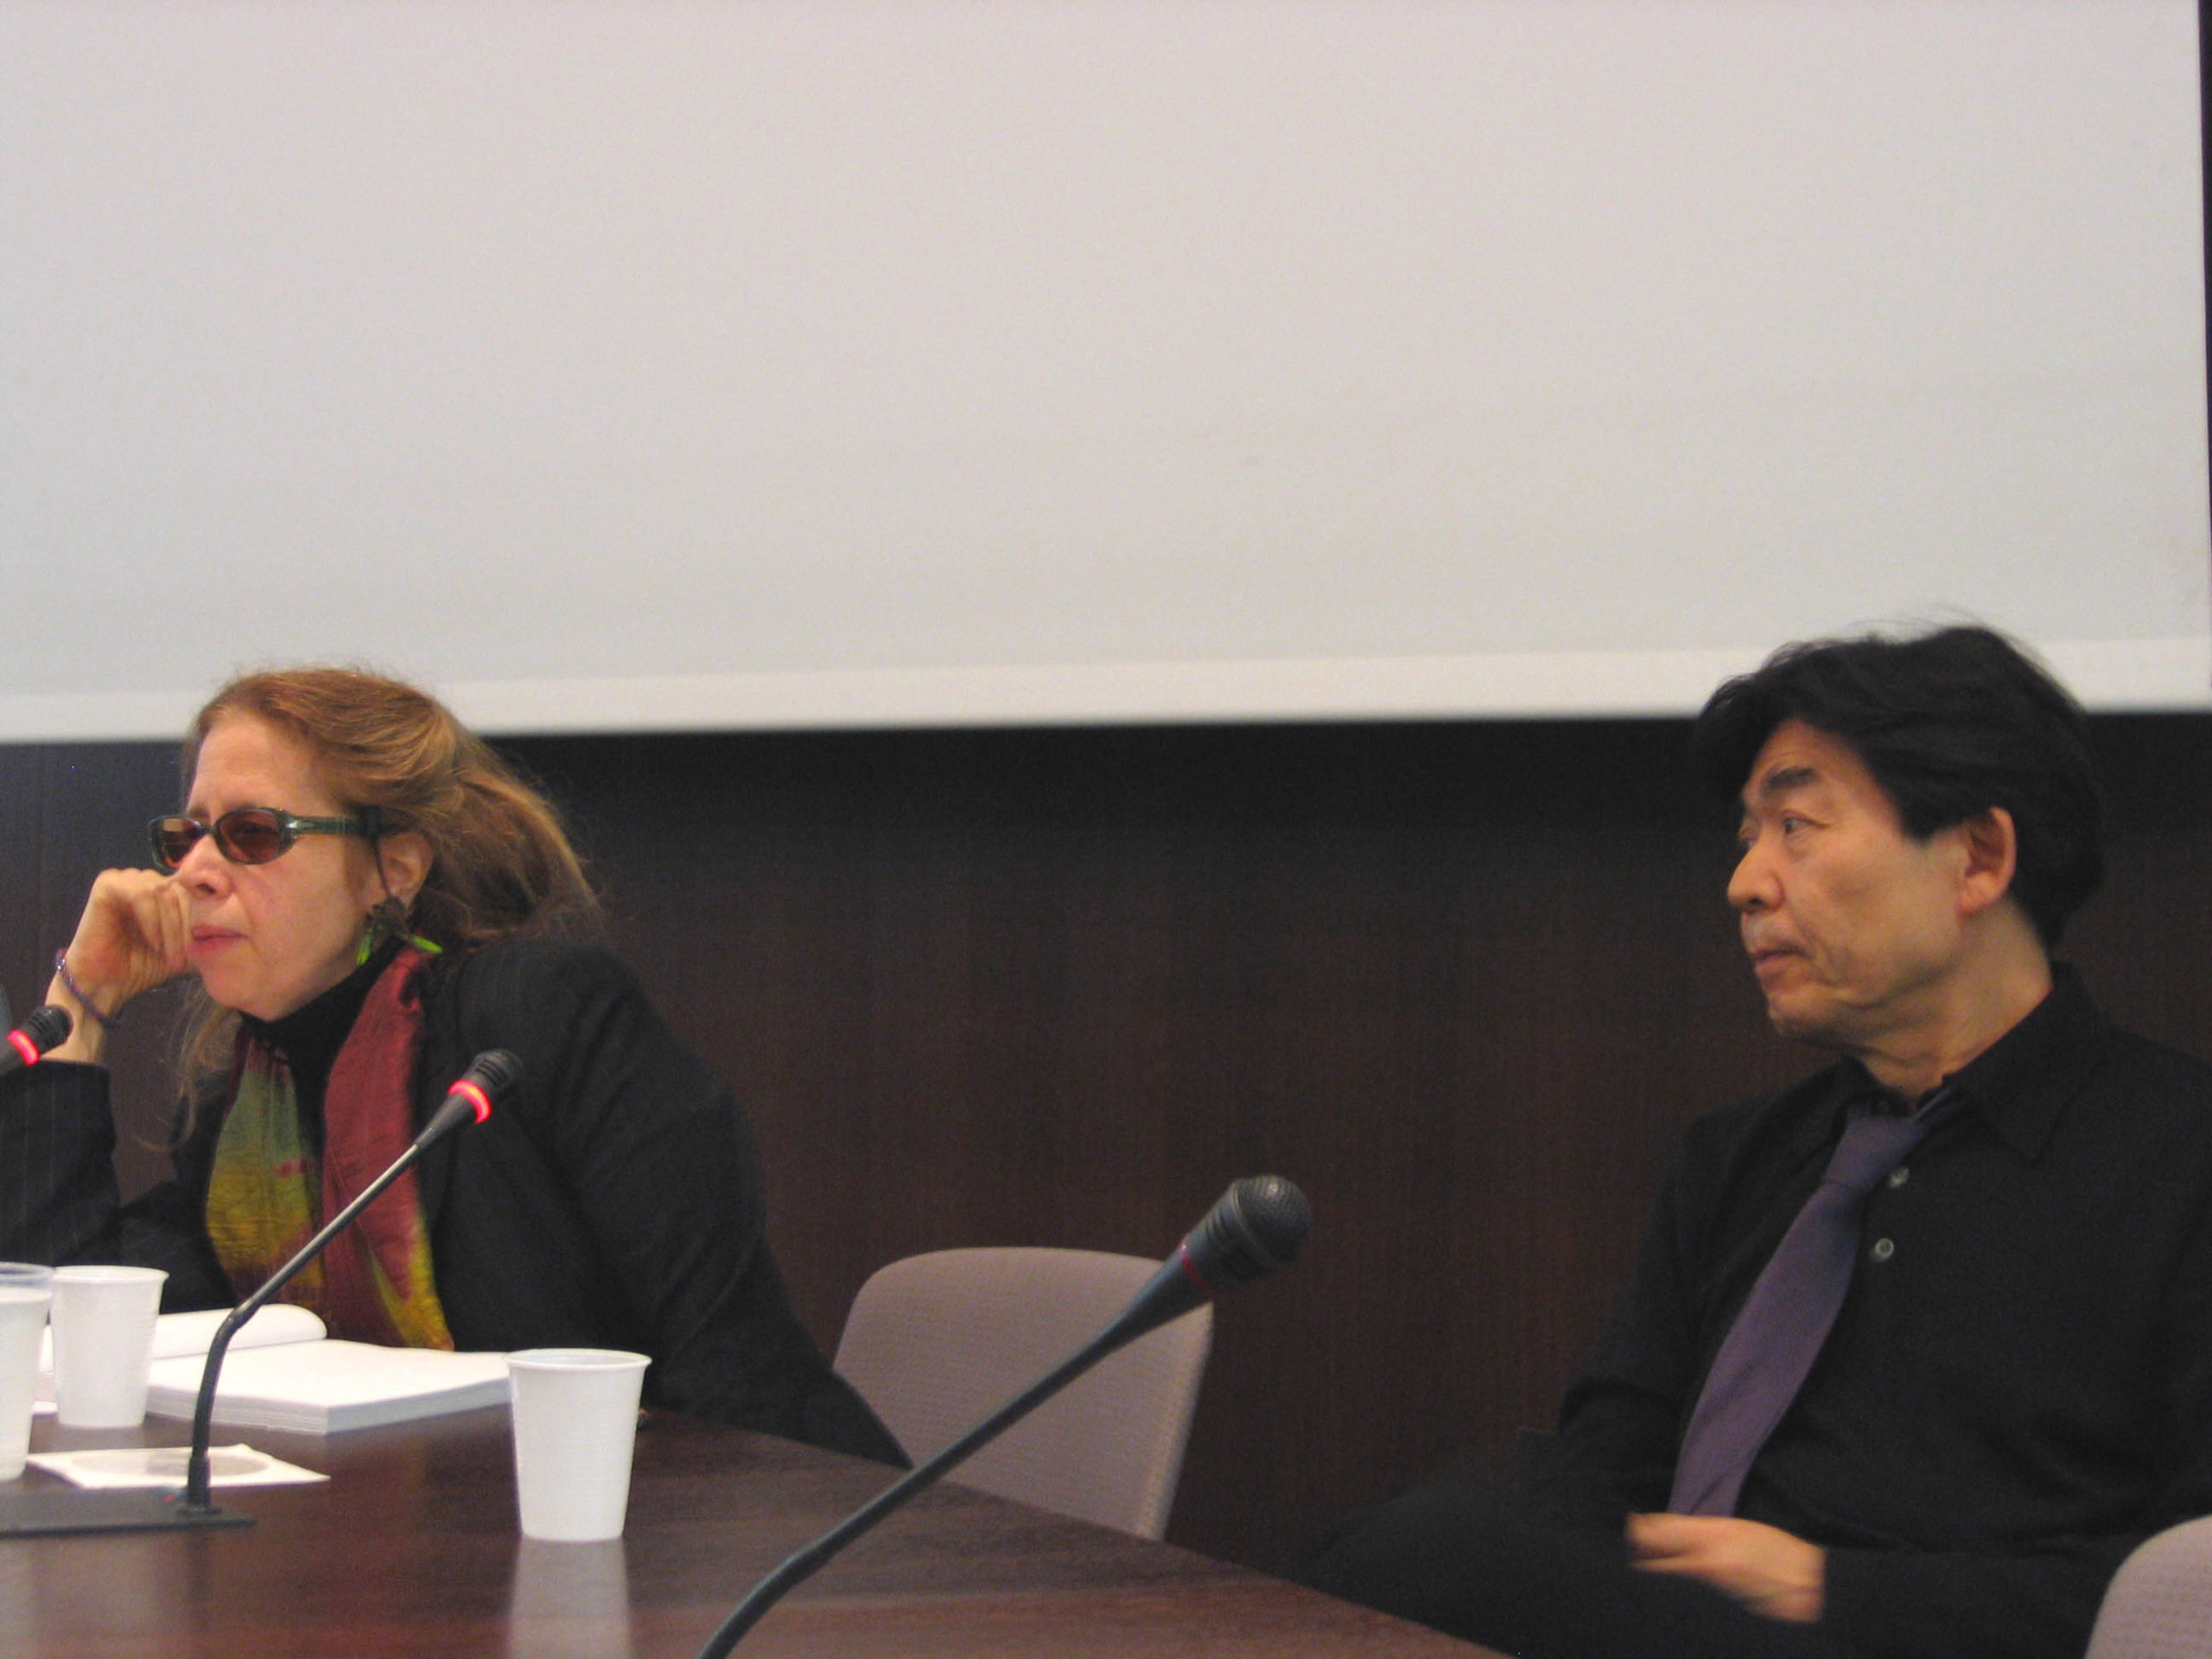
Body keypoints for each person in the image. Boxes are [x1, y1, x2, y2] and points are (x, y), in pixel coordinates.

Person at [1310, 625, 2212, 1659]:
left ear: (1977, 857)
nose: (1745, 882)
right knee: (1417, 1549)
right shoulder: (1738, 1160)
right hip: (1664, 1627)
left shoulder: (2181, 1162)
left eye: (1795, 827)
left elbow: (2187, 1588)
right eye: (1748, 838)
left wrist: (1835, 1591)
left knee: (1429, 1553)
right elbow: (1605, 1469)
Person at [0, 666, 901, 1464]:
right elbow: (64, 1343)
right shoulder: (239, 1108)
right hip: (401, 1549)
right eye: (186, 836)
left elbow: (725, 1360)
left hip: (690, 1525)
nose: (195, 871)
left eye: (252, 833)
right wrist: (82, 1005)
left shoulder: (533, 1027)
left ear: (390, 869)